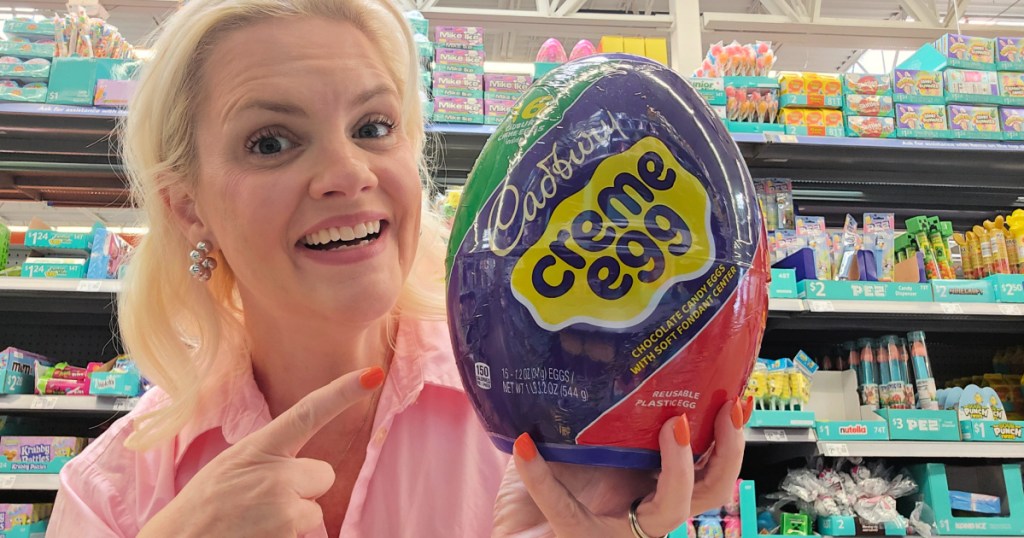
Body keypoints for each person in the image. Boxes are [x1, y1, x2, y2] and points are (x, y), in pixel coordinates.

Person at [48, 0, 752, 536]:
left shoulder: (543, 431)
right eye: (270, 141)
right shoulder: (115, 492)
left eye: (373, 128)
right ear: (186, 206)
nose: (347, 173)